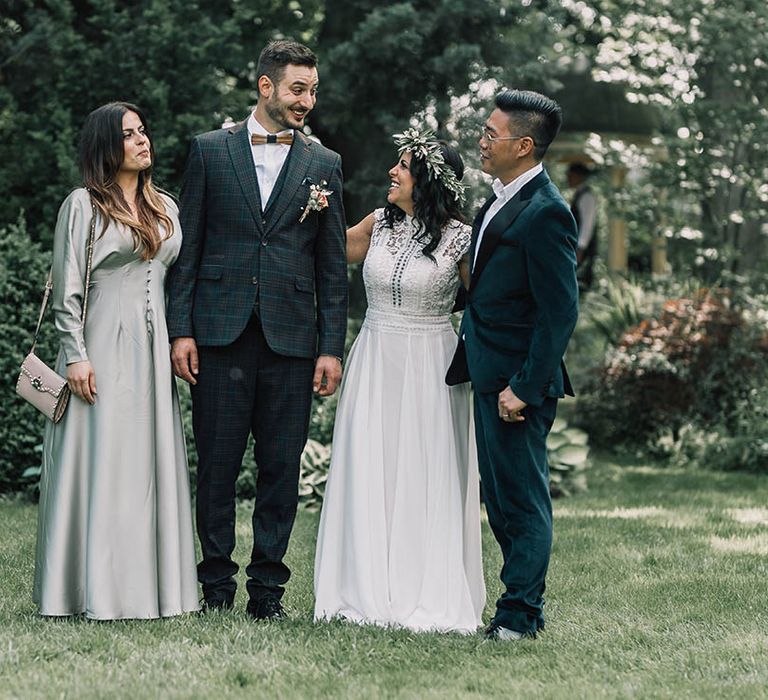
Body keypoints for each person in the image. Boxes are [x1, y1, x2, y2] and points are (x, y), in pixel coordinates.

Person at [166, 40, 347, 620]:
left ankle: (268, 590)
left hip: (293, 343)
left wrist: (330, 347)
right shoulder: (209, 152)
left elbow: (330, 265)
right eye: (299, 89)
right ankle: (215, 585)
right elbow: (187, 248)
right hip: (218, 335)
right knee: (216, 467)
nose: (308, 100)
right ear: (266, 87)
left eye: (313, 90)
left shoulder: (325, 164)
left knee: (280, 469)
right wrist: (181, 330)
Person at [314, 129, 486, 634]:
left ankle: (424, 588)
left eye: (404, 166)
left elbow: (486, 304)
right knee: (373, 463)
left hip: (433, 364)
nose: (392, 171)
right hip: (375, 357)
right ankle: (364, 585)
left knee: (424, 468)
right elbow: (330, 251)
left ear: (429, 179)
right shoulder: (379, 223)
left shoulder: (461, 238)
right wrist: (312, 206)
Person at [33, 102, 199, 619]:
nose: (143, 141)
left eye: (144, 132)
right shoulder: (82, 205)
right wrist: (76, 357)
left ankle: (152, 590)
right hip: (99, 344)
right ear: (107, 146)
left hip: (152, 347)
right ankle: (86, 589)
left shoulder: (167, 207)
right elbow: (66, 291)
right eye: (129, 135)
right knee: (100, 460)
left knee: (147, 463)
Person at [446, 89, 579, 640]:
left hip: (517, 384)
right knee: (499, 500)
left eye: (490, 134)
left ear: (523, 145)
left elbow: (560, 312)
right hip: (485, 367)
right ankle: (516, 607)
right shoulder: (497, 198)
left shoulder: (548, 212)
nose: (481, 140)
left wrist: (524, 387)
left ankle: (521, 617)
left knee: (522, 501)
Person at [567, 162, 599, 291]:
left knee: (580, 281)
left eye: (570, 175)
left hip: (582, 250)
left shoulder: (587, 197)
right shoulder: (579, 194)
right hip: (577, 247)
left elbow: (587, 224)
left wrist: (580, 248)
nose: (568, 178)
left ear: (579, 176)